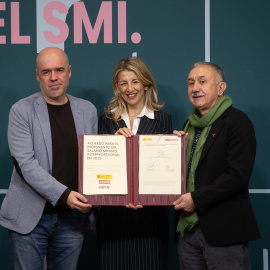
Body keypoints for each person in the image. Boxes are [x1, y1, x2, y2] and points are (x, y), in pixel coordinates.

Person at [0, 47, 98, 270]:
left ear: (69, 71)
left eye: (59, 70)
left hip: (72, 220)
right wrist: (65, 195)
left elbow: (97, 158)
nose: (54, 77)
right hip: (31, 218)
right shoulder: (21, 110)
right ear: (37, 75)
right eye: (46, 72)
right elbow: (25, 164)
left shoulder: (88, 110)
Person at [173, 62, 260, 269]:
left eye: (203, 82)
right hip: (188, 230)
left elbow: (237, 175)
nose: (195, 88)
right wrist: (173, 150)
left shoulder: (237, 121)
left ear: (221, 88)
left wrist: (195, 198)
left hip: (224, 232)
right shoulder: (188, 125)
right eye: (191, 83)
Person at [98, 57, 172, 270]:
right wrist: (113, 140)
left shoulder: (163, 119)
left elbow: (164, 172)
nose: (130, 88)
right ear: (117, 87)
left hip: (150, 220)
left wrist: (175, 144)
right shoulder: (107, 119)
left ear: (146, 84)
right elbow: (101, 168)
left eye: (135, 81)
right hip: (113, 219)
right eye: (123, 83)